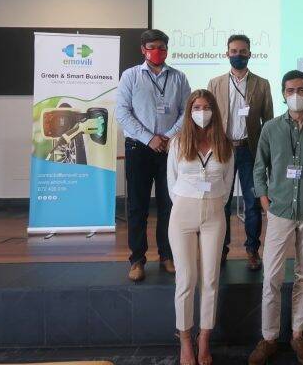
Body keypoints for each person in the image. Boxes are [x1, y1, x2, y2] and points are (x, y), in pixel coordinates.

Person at [248, 70, 303, 365]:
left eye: (301, 89)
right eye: (290, 90)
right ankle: (269, 337)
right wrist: (263, 198)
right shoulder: (271, 128)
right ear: (283, 94)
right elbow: (259, 167)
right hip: (280, 211)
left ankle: (298, 334)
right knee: (271, 276)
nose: (295, 95)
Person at [116, 29, 191, 281]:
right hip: (138, 148)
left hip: (170, 148)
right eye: (152, 47)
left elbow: (187, 111)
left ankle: (167, 255)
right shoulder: (130, 76)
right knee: (137, 206)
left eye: (161, 47)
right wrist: (150, 138)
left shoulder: (179, 77)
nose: (157, 51)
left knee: (168, 205)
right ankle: (137, 259)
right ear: (143, 50)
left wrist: (167, 137)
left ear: (167, 50)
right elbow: (122, 112)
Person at [167, 90, 234, 365]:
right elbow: (171, 181)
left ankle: (204, 336)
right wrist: (189, 202)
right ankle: (185, 339)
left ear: (214, 111)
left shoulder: (225, 144)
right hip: (183, 213)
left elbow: (227, 183)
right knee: (186, 278)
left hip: (214, 214)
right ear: (189, 111)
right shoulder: (178, 142)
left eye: (207, 107)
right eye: (196, 107)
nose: (202, 112)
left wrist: (212, 202)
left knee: (210, 279)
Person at [207, 34, 273, 271]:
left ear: (250, 54)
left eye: (243, 51)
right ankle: (221, 249)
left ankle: (252, 250)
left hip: (250, 150)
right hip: (223, 150)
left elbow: (269, 122)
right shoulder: (215, 83)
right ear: (227, 54)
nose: (238, 55)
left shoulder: (262, 84)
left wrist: (267, 154)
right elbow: (209, 119)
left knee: (252, 202)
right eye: (234, 51)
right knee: (221, 202)